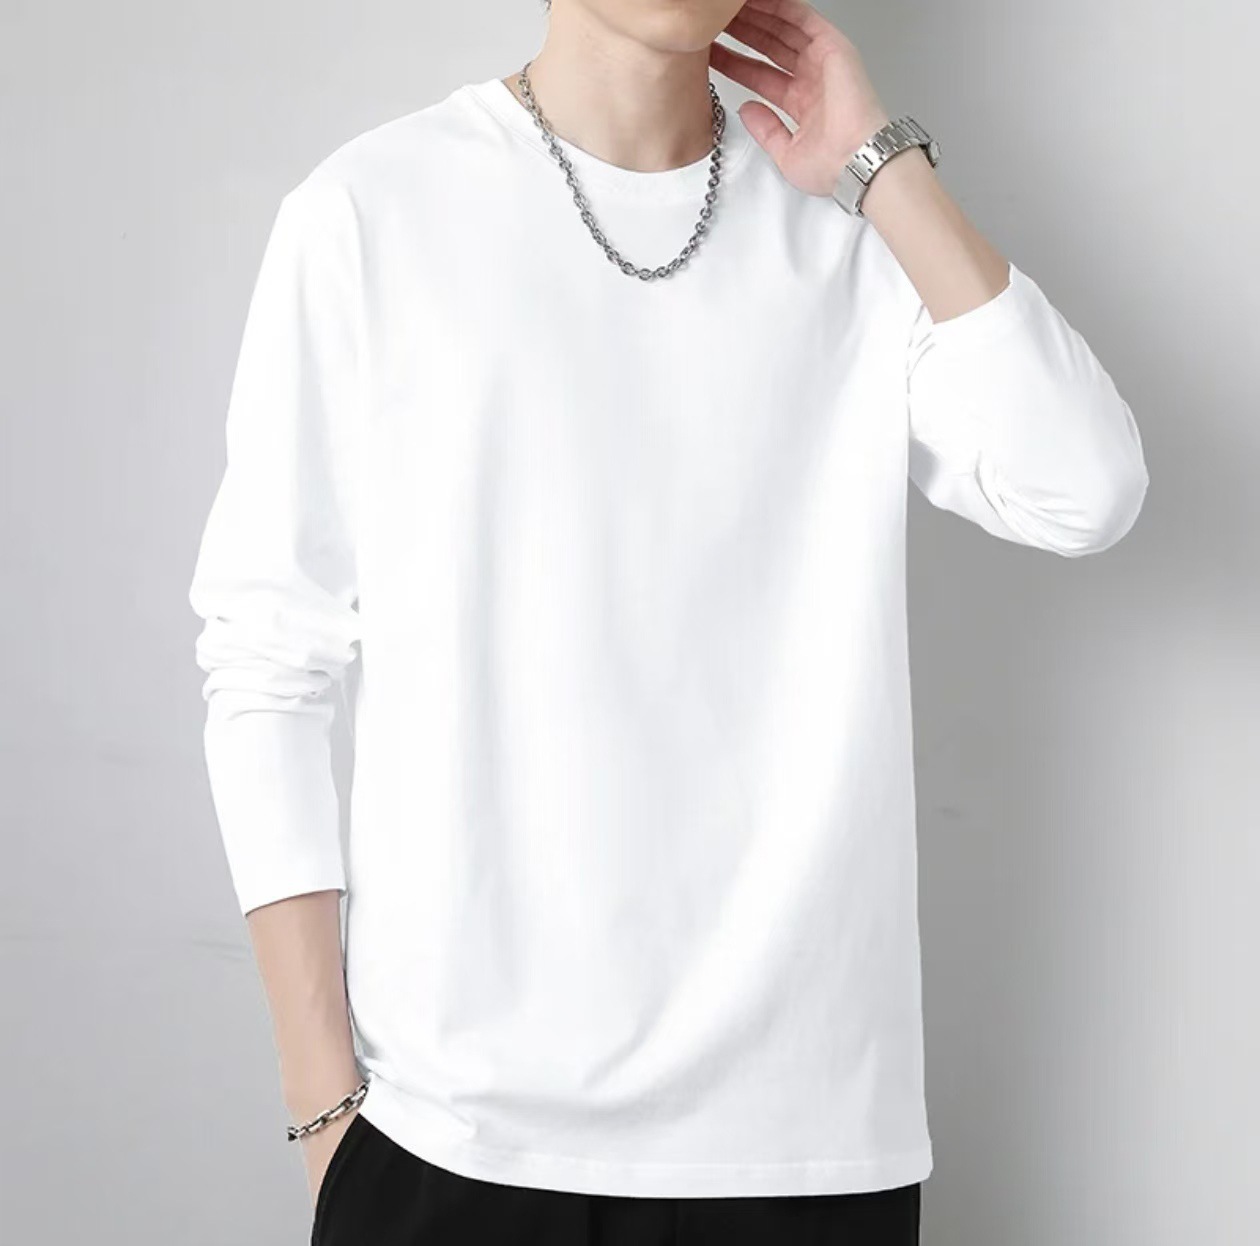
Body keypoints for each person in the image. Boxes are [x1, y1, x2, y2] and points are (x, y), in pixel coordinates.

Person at [186, 1, 1149, 1242]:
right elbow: (266, 657)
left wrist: (883, 168)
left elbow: (1085, 489)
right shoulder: (374, 213)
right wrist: (324, 1100)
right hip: (456, 1136)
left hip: (804, 1149)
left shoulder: (850, 235)